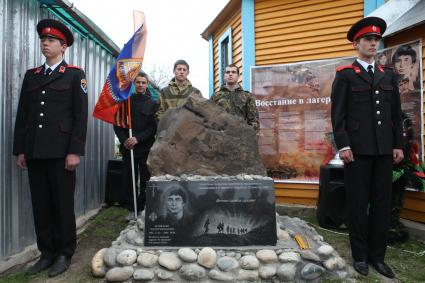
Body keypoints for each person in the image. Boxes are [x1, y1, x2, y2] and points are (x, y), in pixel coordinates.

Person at [13, 19, 88, 277]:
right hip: (34, 151)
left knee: (62, 204)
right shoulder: (31, 76)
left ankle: (64, 253)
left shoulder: (75, 75)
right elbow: (23, 115)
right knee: (40, 204)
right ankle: (46, 253)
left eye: (51, 41)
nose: (45, 44)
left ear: (63, 46)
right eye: (43, 40)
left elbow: (80, 117)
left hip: (61, 153)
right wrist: (21, 150)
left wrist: (74, 151)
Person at [331, 17, 403, 279]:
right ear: (356, 43)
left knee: (382, 205)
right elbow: (338, 115)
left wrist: (398, 145)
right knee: (358, 205)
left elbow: (395, 114)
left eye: (376, 39)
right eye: (368, 40)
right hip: (357, 151)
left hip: (384, 150)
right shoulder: (346, 75)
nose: (373, 43)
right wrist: (344, 145)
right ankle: (360, 257)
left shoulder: (387, 76)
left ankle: (378, 257)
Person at [114, 72, 157, 220]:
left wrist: (138, 138)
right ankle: (132, 209)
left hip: (145, 147)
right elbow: (117, 124)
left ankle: (143, 207)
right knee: (129, 179)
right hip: (128, 148)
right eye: (138, 82)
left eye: (143, 82)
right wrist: (125, 140)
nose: (140, 85)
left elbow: (153, 127)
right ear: (134, 84)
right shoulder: (125, 102)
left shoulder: (153, 104)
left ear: (147, 84)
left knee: (146, 179)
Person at [211, 64, 260, 132]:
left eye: (233, 72)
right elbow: (210, 119)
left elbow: (254, 121)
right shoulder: (216, 96)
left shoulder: (247, 96)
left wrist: (251, 139)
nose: (230, 74)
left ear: (238, 76)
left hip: (241, 139)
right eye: (228, 72)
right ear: (224, 76)